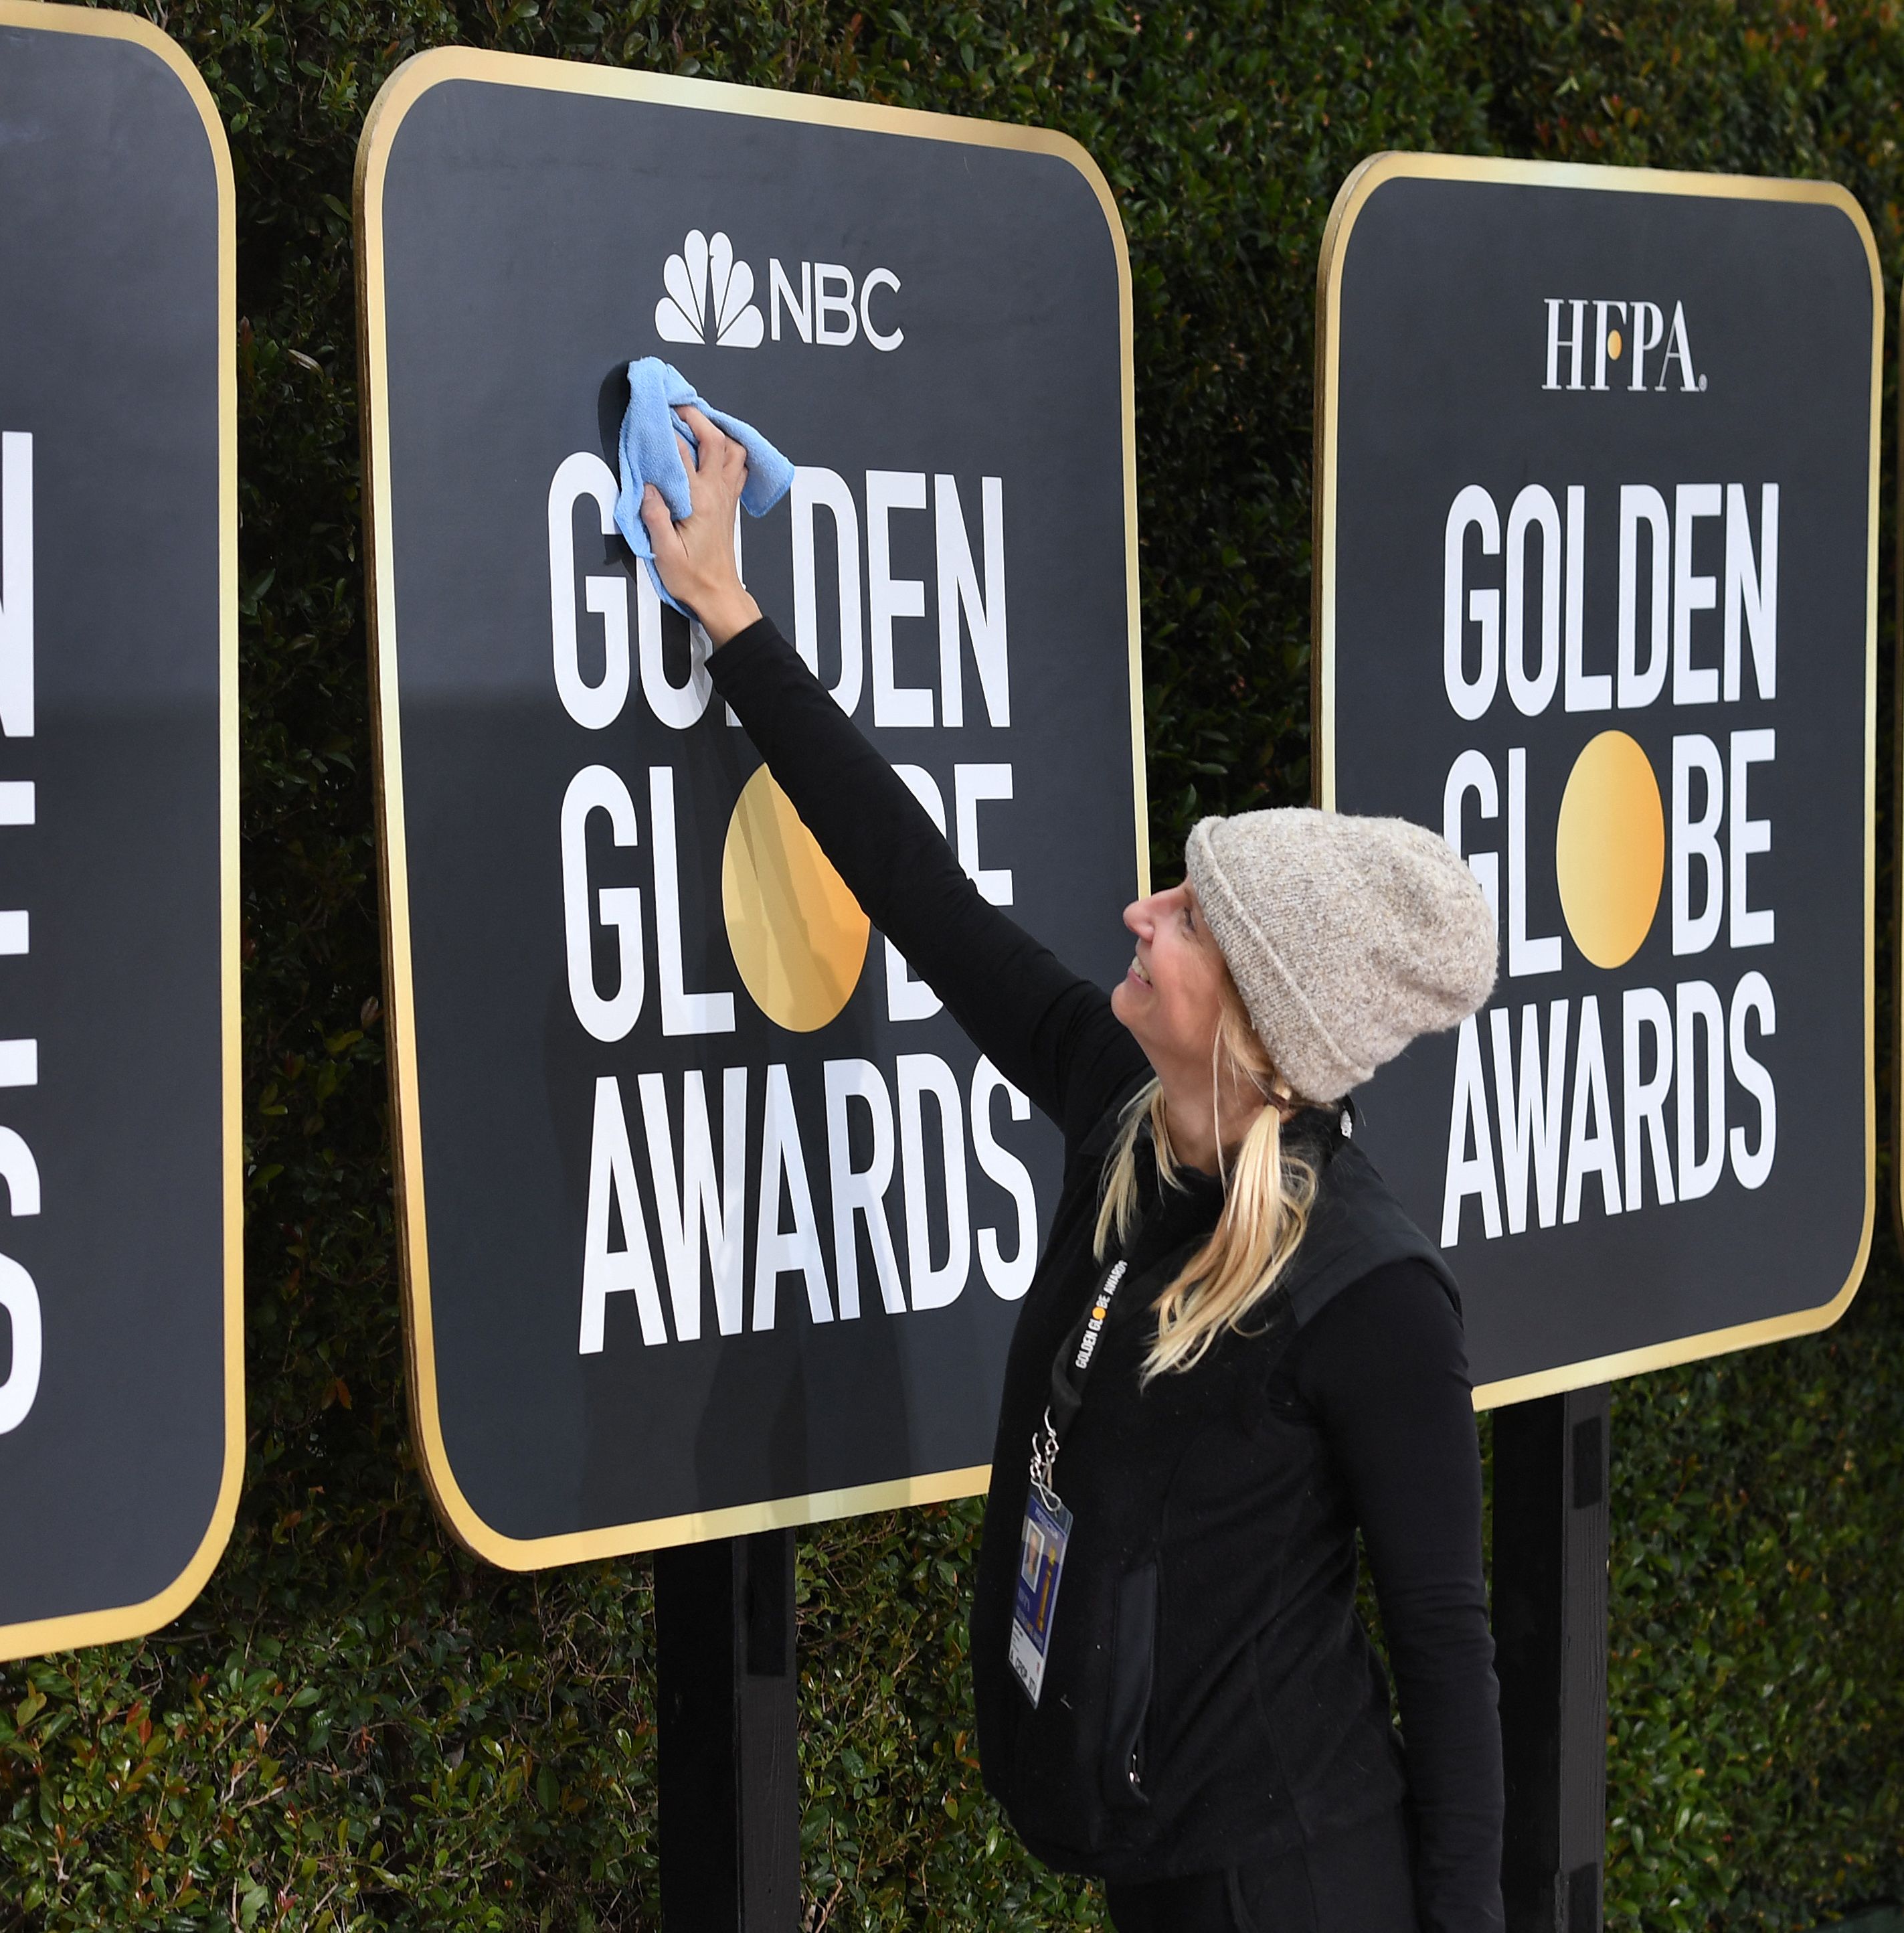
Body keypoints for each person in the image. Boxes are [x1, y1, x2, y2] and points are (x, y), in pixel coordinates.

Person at [639, 406, 1506, 1933]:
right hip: (1159, 1873)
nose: (1138, 913)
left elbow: (1445, 1651)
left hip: (1299, 1886)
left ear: (1257, 1017)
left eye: (1187, 916)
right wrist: (730, 614)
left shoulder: (1369, 1296)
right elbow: (917, 886)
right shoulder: (1124, 1108)